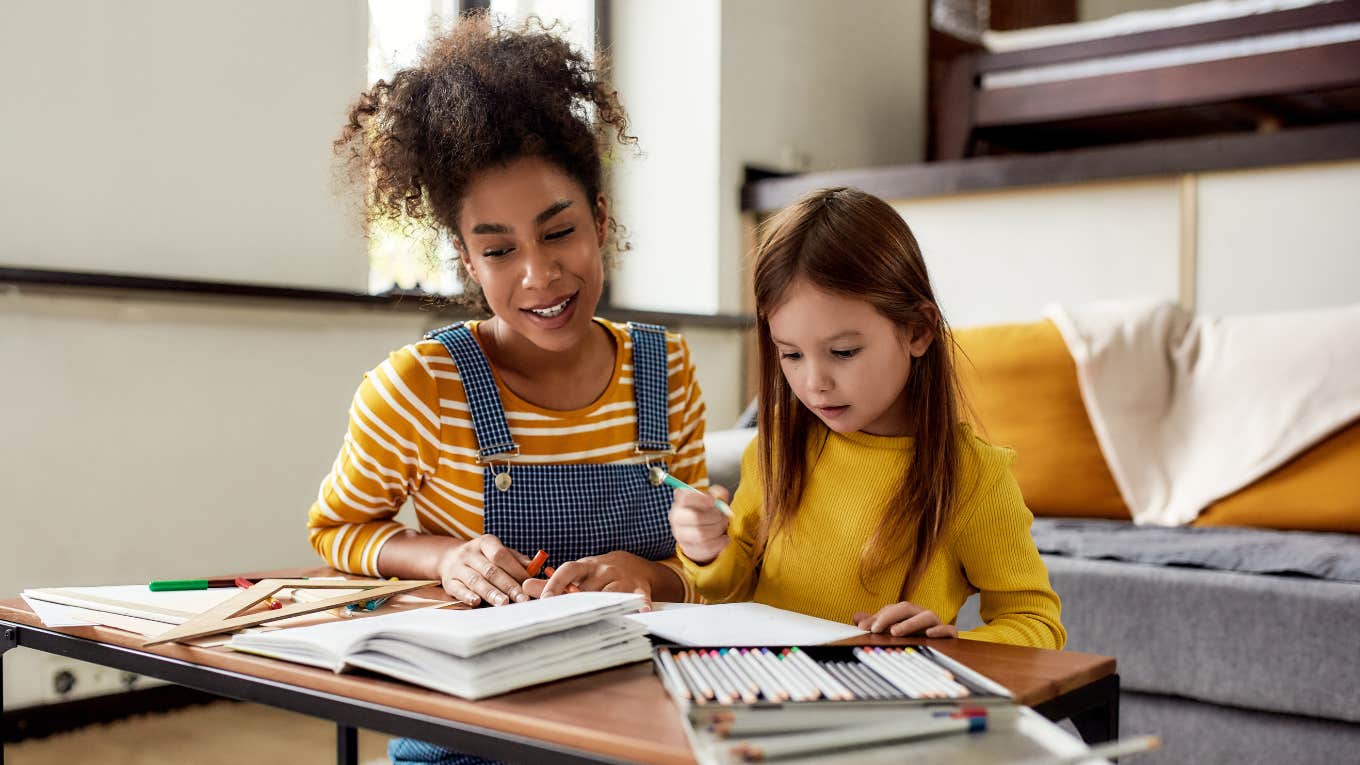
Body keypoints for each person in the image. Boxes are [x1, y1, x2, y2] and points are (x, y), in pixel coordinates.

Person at [311, 16, 712, 762]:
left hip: (641, 708)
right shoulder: (418, 387)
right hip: (473, 728)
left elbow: (707, 564)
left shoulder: (667, 371)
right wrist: (444, 558)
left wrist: (651, 572)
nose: (540, 275)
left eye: (559, 233)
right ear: (468, 261)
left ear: (599, 219)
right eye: (500, 249)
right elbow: (336, 531)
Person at [668, 187, 1065, 649]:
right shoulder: (775, 448)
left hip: (884, 709)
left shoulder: (973, 477)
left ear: (917, 331)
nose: (814, 382)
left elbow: (1037, 623)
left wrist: (950, 644)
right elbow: (731, 593)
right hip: (766, 691)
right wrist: (708, 550)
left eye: (843, 352)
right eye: (791, 354)